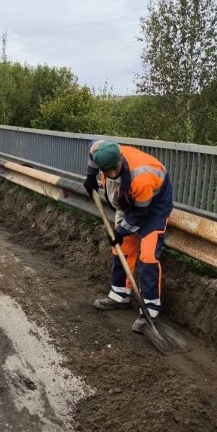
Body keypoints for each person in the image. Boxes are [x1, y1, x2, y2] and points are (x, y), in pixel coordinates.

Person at [83, 139, 174, 333]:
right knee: (121, 249)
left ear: (120, 160)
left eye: (115, 170)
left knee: (148, 257)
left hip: (153, 208)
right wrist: (91, 176)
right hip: (127, 202)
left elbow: (140, 214)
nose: (112, 174)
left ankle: (150, 308)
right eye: (107, 172)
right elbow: (92, 151)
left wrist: (120, 231)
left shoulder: (141, 176)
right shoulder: (100, 151)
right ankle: (119, 295)